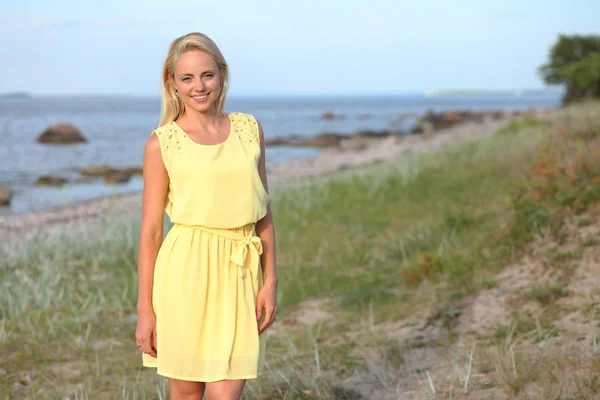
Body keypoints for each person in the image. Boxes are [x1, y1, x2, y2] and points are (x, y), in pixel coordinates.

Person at [135, 32, 278, 400]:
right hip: (185, 273)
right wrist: (145, 310)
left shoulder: (249, 129)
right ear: (173, 85)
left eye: (207, 75)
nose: (199, 86)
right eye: (187, 78)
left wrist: (270, 279)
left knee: (225, 394)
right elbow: (151, 232)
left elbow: (263, 211)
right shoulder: (162, 142)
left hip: (240, 271)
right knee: (185, 394)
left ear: (222, 75)